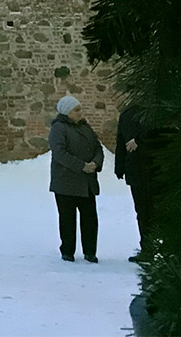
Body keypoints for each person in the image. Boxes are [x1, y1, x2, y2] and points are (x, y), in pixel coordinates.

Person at [49, 95, 104, 263]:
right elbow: (60, 153)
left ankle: (90, 251)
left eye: (80, 109)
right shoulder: (58, 128)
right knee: (67, 219)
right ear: (67, 112)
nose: (80, 112)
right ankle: (67, 251)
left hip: (86, 183)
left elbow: (97, 147)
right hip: (66, 182)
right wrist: (81, 165)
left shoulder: (85, 127)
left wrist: (95, 162)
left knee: (90, 218)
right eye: (76, 110)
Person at [115, 103, 157, 262]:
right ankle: (148, 248)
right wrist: (120, 165)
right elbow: (121, 140)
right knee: (144, 211)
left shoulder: (153, 111)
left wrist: (139, 140)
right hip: (139, 170)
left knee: (151, 211)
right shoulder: (128, 114)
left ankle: (153, 248)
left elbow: (160, 134)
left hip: (153, 169)